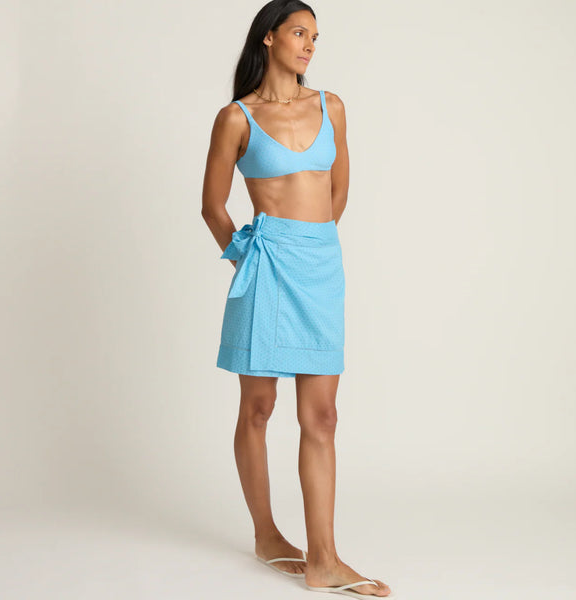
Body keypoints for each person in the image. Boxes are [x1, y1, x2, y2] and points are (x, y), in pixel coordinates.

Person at [201, 1, 396, 597]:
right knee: (258, 408)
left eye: (315, 36)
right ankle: (267, 535)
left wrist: (308, 245)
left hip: (320, 266)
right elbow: (212, 206)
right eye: (299, 33)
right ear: (269, 38)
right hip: (266, 269)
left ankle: (324, 559)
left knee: (323, 416)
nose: (310, 44)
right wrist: (251, 256)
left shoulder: (331, 106)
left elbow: (337, 196)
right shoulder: (236, 117)